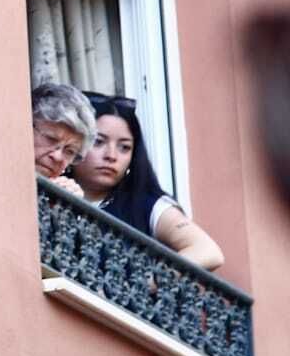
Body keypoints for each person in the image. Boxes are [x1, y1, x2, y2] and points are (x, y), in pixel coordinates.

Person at [71, 92, 225, 270]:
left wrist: (146, 281)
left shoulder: (146, 205)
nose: (111, 156)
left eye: (124, 147)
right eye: (98, 142)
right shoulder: (53, 189)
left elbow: (208, 252)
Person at [31, 82, 93, 196]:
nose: (57, 156)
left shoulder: (59, 195)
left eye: (70, 151)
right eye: (50, 139)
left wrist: (68, 207)